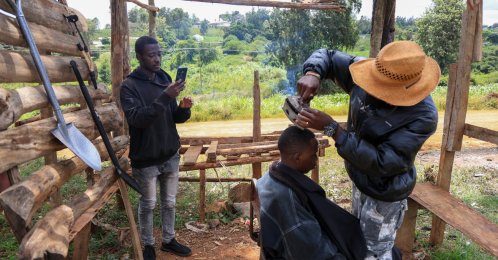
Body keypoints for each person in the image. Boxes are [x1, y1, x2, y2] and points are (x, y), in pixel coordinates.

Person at [295, 40, 439, 259]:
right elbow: (329, 55)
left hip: (385, 191)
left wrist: (334, 129)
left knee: (376, 251)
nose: (373, 91)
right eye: (374, 84)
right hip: (359, 176)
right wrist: (313, 73)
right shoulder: (366, 72)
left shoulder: (423, 116)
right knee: (360, 239)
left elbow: (384, 162)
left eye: (382, 91)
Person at [120, 36, 193, 259]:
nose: (157, 59)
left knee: (169, 203)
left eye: (159, 54)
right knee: (149, 204)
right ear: (140, 56)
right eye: (151, 55)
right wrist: (165, 96)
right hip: (146, 158)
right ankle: (148, 244)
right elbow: (137, 119)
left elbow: (172, 117)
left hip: (170, 153)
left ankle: (169, 240)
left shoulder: (164, 78)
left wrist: (183, 108)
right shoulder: (129, 86)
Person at [257, 126, 367, 260]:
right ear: (297, 157)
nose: (315, 160)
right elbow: (313, 252)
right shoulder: (287, 200)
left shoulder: (270, 176)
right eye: (313, 155)